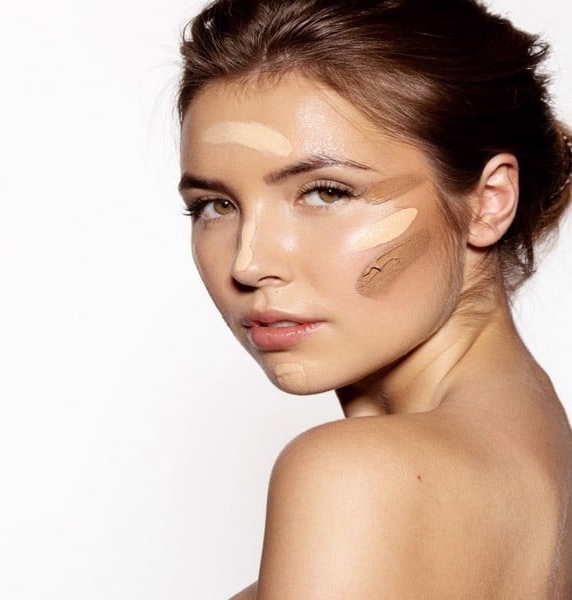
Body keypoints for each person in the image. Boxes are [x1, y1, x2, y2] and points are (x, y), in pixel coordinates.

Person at [176, 0, 572, 597]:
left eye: (326, 193)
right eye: (215, 205)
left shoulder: (352, 477)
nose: (248, 263)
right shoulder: (540, 458)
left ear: (489, 201)